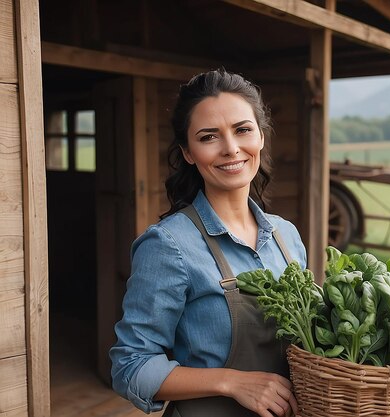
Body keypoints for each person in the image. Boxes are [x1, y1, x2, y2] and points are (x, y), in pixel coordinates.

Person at [109, 69, 306, 417]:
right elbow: (131, 367)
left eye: (243, 130)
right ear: (188, 152)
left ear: (260, 137)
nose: (231, 149)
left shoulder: (286, 236)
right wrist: (231, 382)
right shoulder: (168, 245)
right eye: (209, 136)